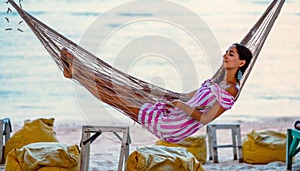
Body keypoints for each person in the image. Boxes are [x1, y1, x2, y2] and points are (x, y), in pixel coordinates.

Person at [61, 43, 252, 143]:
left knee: (116, 98)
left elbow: (204, 119)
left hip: (172, 126)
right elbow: (188, 97)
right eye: (226, 52)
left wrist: (180, 105)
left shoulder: (231, 91)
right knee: (122, 89)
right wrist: (160, 94)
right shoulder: (216, 82)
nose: (225, 56)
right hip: (173, 113)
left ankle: (76, 73)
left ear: (241, 63)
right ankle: (77, 70)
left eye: (231, 54)